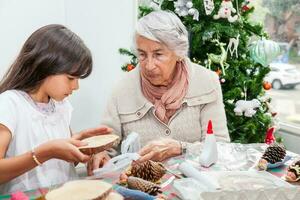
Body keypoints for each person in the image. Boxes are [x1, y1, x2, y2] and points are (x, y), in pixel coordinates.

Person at [100, 10, 230, 163]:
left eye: (158, 54)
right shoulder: (121, 90)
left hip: (195, 183)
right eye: (142, 54)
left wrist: (181, 148)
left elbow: (220, 148)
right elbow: (106, 149)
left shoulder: (206, 81)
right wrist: (99, 154)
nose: (149, 65)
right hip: (141, 186)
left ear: (178, 53)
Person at [0, 24, 112, 194]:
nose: (76, 86)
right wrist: (46, 152)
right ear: (45, 66)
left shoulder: (62, 107)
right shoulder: (9, 104)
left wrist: (83, 149)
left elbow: (62, 164)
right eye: (70, 78)